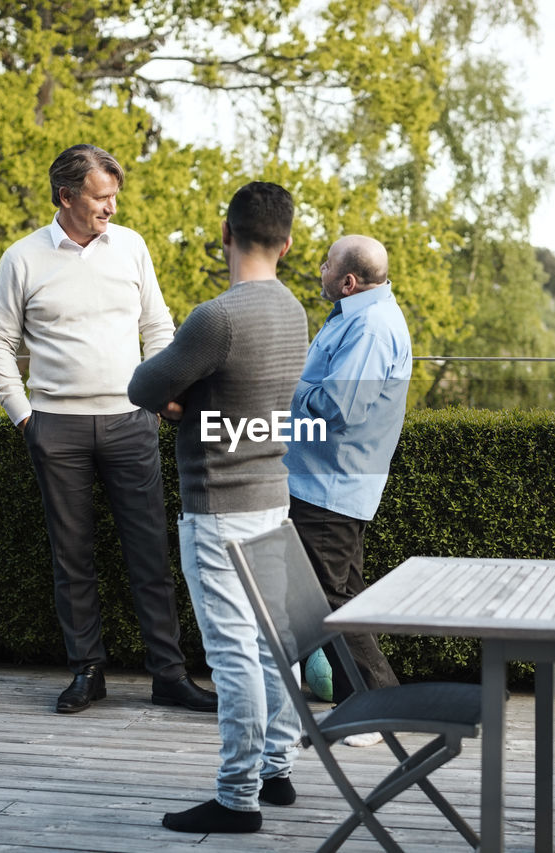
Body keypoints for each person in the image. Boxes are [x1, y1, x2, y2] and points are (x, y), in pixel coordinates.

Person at [0, 144, 215, 714]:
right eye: (100, 196)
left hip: (130, 421)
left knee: (150, 554)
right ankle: (88, 671)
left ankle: (169, 674)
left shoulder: (131, 246)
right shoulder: (23, 258)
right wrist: (25, 416)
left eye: (113, 195)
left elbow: (158, 325)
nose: (111, 206)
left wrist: (158, 394)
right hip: (54, 426)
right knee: (71, 557)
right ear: (67, 197)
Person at [128, 181, 309, 834]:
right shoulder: (294, 311)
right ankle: (275, 769)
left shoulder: (217, 317)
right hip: (271, 497)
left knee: (233, 652)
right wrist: (196, 394)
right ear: (286, 244)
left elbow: (143, 383)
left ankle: (237, 797)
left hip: (220, 507)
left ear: (226, 234)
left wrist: (180, 395)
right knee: (274, 645)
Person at [283, 235, 411, 747]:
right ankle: (356, 699)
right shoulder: (356, 315)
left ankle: (374, 706)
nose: (319, 268)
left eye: (327, 264)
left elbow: (339, 409)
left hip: (332, 486)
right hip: (323, 479)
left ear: (348, 280)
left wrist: (283, 380)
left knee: (330, 599)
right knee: (334, 595)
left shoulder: (372, 327)